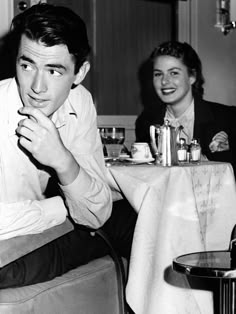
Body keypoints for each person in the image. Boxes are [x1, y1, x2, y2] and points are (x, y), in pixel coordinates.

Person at [0, 3, 137, 288]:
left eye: (54, 71)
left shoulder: (79, 101)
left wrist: (63, 160)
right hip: (9, 249)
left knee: (140, 221)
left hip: (34, 229)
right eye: (26, 66)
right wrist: (62, 206)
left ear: (79, 73)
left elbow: (95, 214)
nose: (37, 87)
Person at [136, 41, 236, 173]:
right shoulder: (146, 121)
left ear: (192, 77)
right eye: (158, 74)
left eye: (174, 73)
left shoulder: (228, 117)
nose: (164, 81)